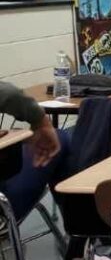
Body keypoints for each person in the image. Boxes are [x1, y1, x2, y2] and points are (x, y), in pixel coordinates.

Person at [0, 82, 67, 221]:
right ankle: (88, 233)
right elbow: (9, 94)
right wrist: (41, 121)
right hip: (4, 207)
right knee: (61, 139)